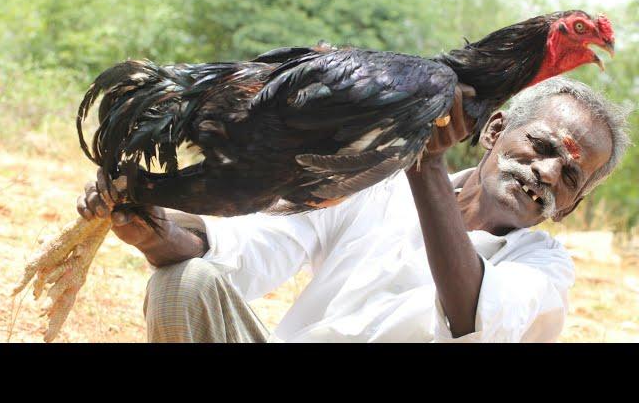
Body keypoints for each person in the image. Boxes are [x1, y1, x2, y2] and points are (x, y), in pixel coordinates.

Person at [77, 76, 630, 343]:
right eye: (545, 146)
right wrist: (156, 230)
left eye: (571, 176)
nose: (549, 173)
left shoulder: (544, 271)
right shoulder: (376, 187)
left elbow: (470, 318)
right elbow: (252, 249)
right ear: (495, 129)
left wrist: (426, 167)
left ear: (570, 205)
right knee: (185, 282)